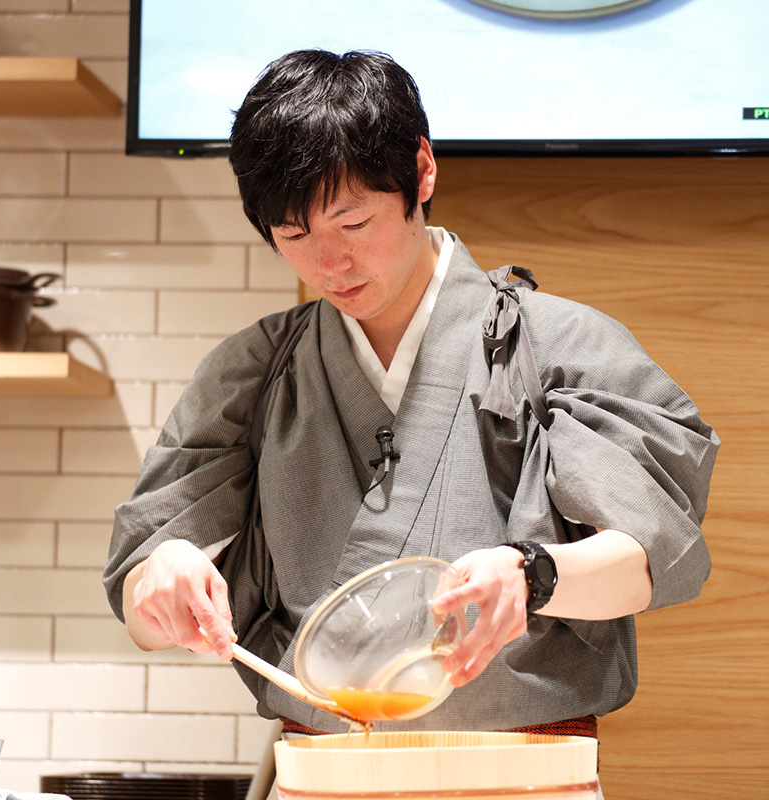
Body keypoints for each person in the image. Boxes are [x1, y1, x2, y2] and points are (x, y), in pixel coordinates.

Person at [103, 49, 717, 760]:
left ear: (421, 171)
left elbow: (650, 558)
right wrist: (166, 573)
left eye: (353, 224)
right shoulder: (254, 373)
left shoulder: (558, 347)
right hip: (321, 769)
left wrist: (532, 574)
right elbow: (140, 597)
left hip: (525, 770)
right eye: (294, 236)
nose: (328, 265)